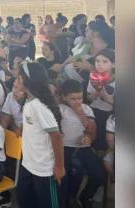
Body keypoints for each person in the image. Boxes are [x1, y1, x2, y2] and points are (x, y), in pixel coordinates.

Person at [17, 62, 65, 208]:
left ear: (29, 80)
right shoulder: (29, 101)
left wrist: (59, 167)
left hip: (44, 169)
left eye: (19, 77)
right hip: (28, 164)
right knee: (26, 201)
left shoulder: (39, 105)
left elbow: (56, 136)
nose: (17, 80)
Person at [58, 79, 103, 208]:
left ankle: (85, 196)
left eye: (80, 98)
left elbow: (93, 131)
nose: (78, 102)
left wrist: (88, 137)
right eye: (73, 98)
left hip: (83, 147)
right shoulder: (60, 110)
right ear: (64, 97)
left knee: (98, 175)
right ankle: (69, 198)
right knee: (73, 171)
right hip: (65, 147)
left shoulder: (86, 109)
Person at [86, 49, 115, 154]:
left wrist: (107, 98)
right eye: (97, 61)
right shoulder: (93, 76)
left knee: (103, 146)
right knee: (92, 140)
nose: (99, 64)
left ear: (114, 64)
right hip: (94, 112)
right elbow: (88, 97)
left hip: (108, 116)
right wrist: (93, 96)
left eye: (104, 61)